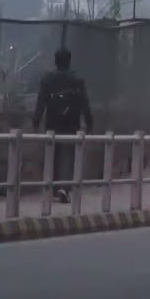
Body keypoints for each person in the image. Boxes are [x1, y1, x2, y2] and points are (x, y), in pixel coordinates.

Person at [32, 48, 93, 203]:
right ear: (69, 61)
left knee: (53, 155)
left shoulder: (47, 80)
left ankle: (52, 187)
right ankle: (64, 188)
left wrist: (36, 121)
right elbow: (85, 103)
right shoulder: (77, 81)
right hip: (71, 123)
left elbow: (40, 103)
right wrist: (89, 122)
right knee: (68, 156)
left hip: (52, 123)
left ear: (56, 61)